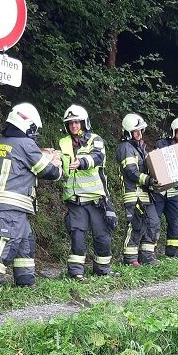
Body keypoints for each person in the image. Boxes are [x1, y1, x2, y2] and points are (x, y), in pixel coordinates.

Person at [0, 103, 62, 290]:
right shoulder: (25, 144)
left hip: (9, 203)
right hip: (12, 203)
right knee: (6, 242)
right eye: (33, 128)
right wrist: (57, 164)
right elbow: (48, 172)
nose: (34, 133)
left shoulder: (3, 142)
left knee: (25, 240)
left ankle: (25, 280)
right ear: (27, 124)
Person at [59, 105, 113, 280]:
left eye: (77, 122)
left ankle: (103, 270)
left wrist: (82, 161)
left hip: (96, 199)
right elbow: (61, 164)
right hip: (74, 199)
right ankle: (75, 273)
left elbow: (98, 157)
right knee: (77, 235)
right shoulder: (63, 142)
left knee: (102, 236)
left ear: (84, 122)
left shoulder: (95, 139)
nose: (74, 126)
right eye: (70, 123)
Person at [117, 113, 160, 266]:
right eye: (136, 131)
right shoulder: (125, 148)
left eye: (141, 131)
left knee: (153, 223)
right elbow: (131, 171)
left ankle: (147, 256)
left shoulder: (140, 147)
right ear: (128, 132)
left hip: (145, 194)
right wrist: (149, 180)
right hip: (133, 194)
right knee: (136, 226)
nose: (139, 134)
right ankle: (129, 258)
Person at [151, 116, 178, 258]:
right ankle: (149, 252)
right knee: (154, 222)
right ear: (174, 131)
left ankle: (173, 251)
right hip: (159, 191)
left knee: (177, 221)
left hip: (173, 192)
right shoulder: (162, 143)